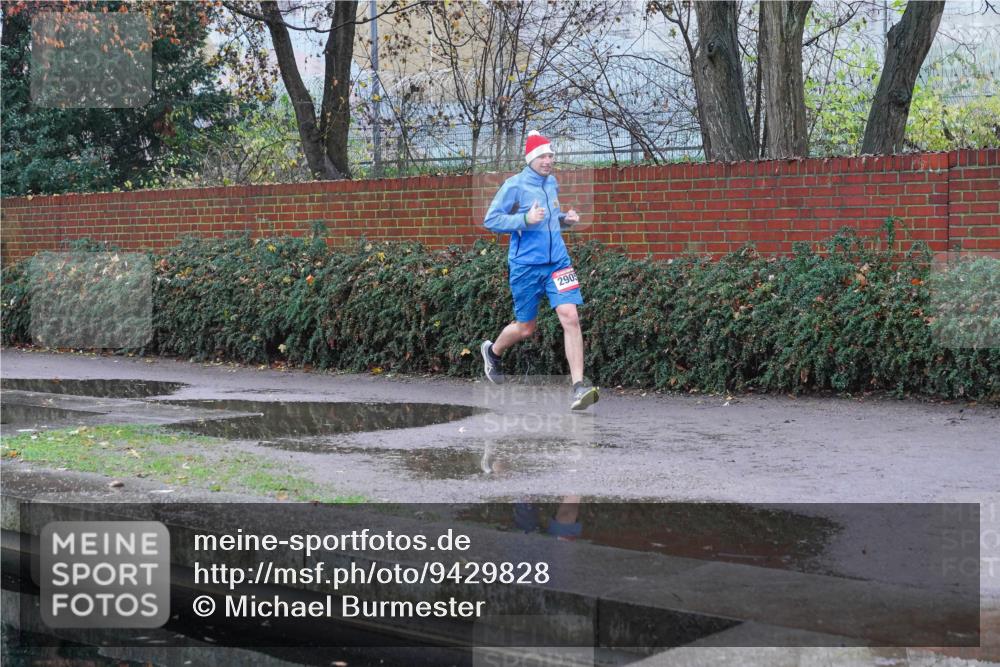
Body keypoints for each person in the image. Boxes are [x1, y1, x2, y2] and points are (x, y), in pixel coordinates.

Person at [480, 130, 599, 411]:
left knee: (570, 316)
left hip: (558, 262)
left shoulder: (551, 183)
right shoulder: (515, 185)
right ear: (532, 158)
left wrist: (564, 220)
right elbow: (491, 219)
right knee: (526, 327)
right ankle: (493, 352)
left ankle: (578, 388)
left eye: (551, 155)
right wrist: (525, 218)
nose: (549, 160)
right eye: (543, 156)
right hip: (525, 267)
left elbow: (548, 220)